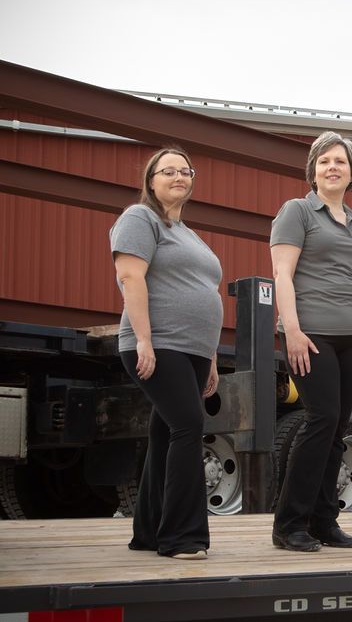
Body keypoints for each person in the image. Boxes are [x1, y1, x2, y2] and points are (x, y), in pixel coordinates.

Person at [270, 131, 352, 552]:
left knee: (337, 427)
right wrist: (292, 330)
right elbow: (282, 273)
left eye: (340, 161)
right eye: (324, 161)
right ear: (313, 170)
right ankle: (289, 524)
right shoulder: (297, 212)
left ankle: (324, 521)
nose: (332, 167)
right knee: (321, 419)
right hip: (311, 333)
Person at [110, 147, 222, 560]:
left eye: (185, 170)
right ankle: (182, 536)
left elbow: (205, 293)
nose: (179, 176)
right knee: (188, 427)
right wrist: (144, 339)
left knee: (165, 435)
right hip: (159, 344)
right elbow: (129, 275)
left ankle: (150, 532)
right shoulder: (140, 218)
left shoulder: (188, 233)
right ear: (151, 180)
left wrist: (210, 355)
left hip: (193, 351)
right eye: (168, 170)